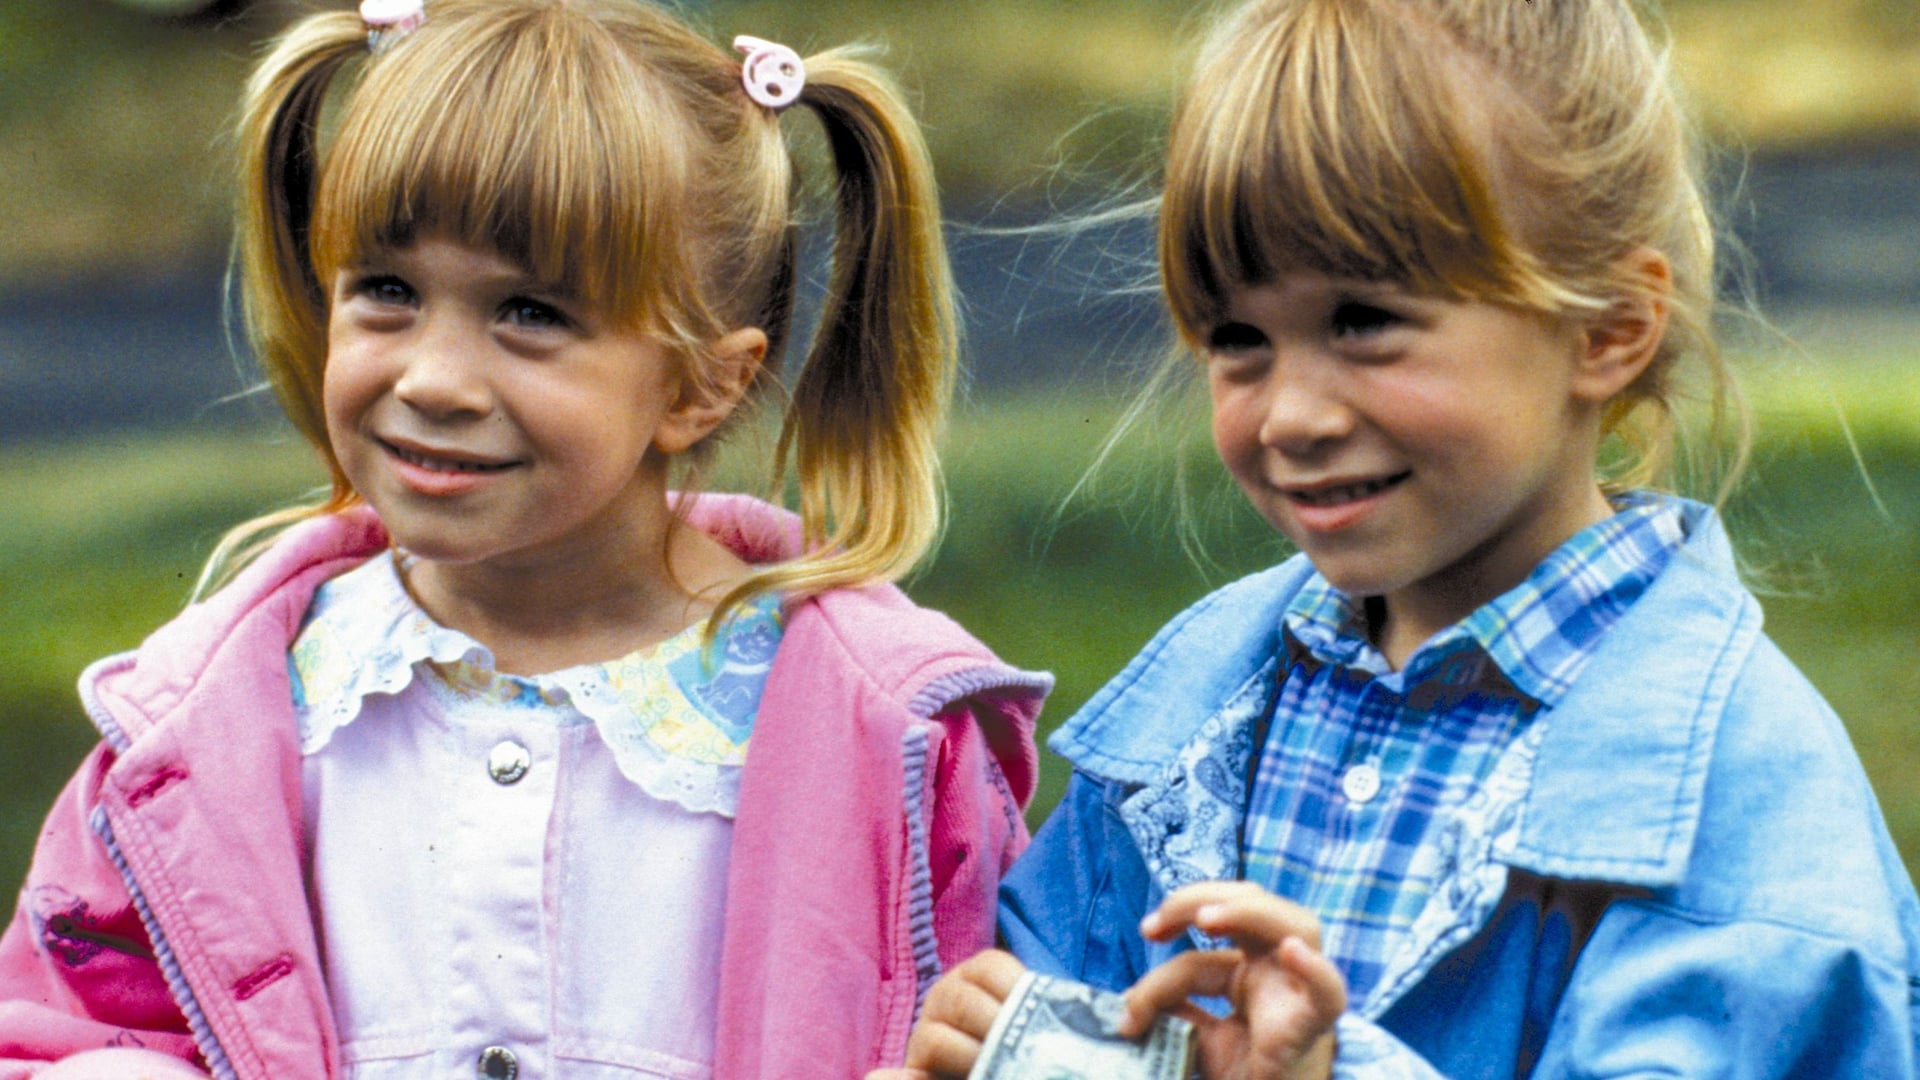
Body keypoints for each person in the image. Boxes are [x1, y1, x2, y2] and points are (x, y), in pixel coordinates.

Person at [0, 1, 1051, 1077]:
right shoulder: (216, 729)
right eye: (389, 292)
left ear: (703, 383)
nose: (434, 380)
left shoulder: (876, 740)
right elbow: (60, 1025)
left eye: (532, 313)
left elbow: (999, 1025)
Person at [887, 0, 1920, 1076]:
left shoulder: (1742, 804)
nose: (1291, 415)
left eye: (1364, 323)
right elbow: (1068, 972)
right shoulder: (1193, 725)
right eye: (1238, 338)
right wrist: (1017, 1041)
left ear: (1609, 327)